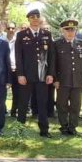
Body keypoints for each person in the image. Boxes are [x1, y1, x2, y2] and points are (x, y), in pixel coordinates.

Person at [15, 9, 54, 137]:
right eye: (32, 17)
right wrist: (20, 74)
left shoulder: (47, 34)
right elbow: (18, 56)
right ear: (29, 19)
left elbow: (51, 56)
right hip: (26, 75)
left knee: (43, 103)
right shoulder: (21, 35)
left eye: (37, 16)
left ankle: (44, 130)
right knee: (23, 103)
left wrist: (50, 74)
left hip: (42, 75)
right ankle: (19, 130)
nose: (35, 19)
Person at [50, 19, 82, 136]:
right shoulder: (57, 44)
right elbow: (53, 63)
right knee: (61, 104)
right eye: (67, 30)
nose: (70, 32)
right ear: (62, 31)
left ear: (76, 31)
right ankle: (63, 125)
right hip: (62, 81)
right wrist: (55, 79)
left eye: (72, 30)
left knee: (76, 105)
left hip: (78, 80)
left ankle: (73, 126)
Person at [5, 22, 20, 118]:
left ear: (15, 29)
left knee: (17, 93)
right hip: (5, 70)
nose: (11, 30)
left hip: (17, 69)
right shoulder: (1, 40)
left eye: (13, 28)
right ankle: (3, 110)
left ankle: (14, 111)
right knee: (2, 92)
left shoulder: (19, 41)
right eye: (9, 28)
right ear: (5, 29)